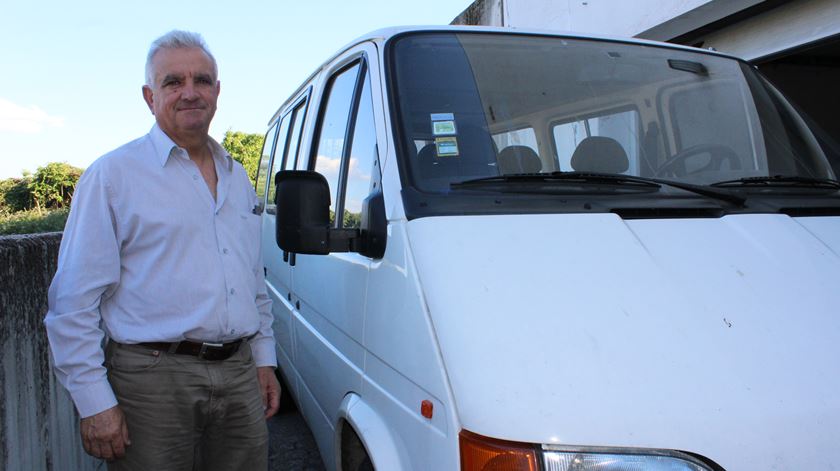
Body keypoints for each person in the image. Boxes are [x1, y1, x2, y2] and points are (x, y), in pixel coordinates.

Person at [44, 30, 280, 470]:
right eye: (174, 82)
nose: (190, 92)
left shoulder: (238, 177)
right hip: (151, 380)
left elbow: (252, 279)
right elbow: (73, 301)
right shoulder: (113, 176)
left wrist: (263, 360)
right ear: (150, 96)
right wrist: (94, 402)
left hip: (238, 372)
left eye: (202, 80)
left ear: (218, 92)